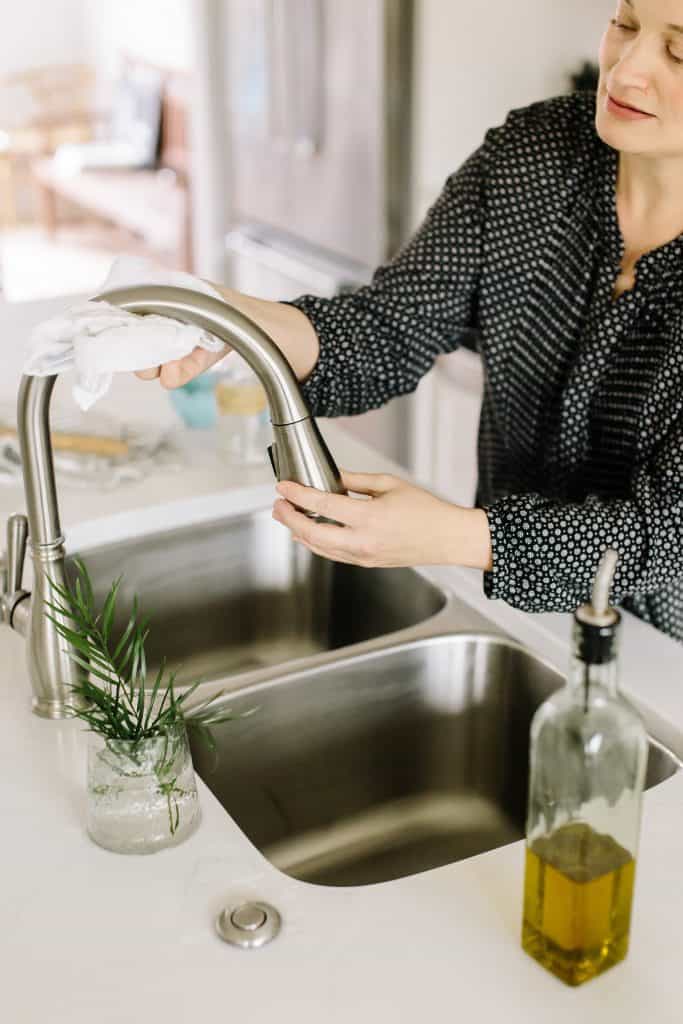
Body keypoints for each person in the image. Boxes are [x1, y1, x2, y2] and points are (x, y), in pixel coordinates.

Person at [138, 0, 683, 643]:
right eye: (624, 23)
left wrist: (455, 535)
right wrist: (240, 320)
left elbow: (666, 530)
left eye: (679, 52)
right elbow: (389, 329)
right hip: (517, 620)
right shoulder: (534, 157)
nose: (624, 72)